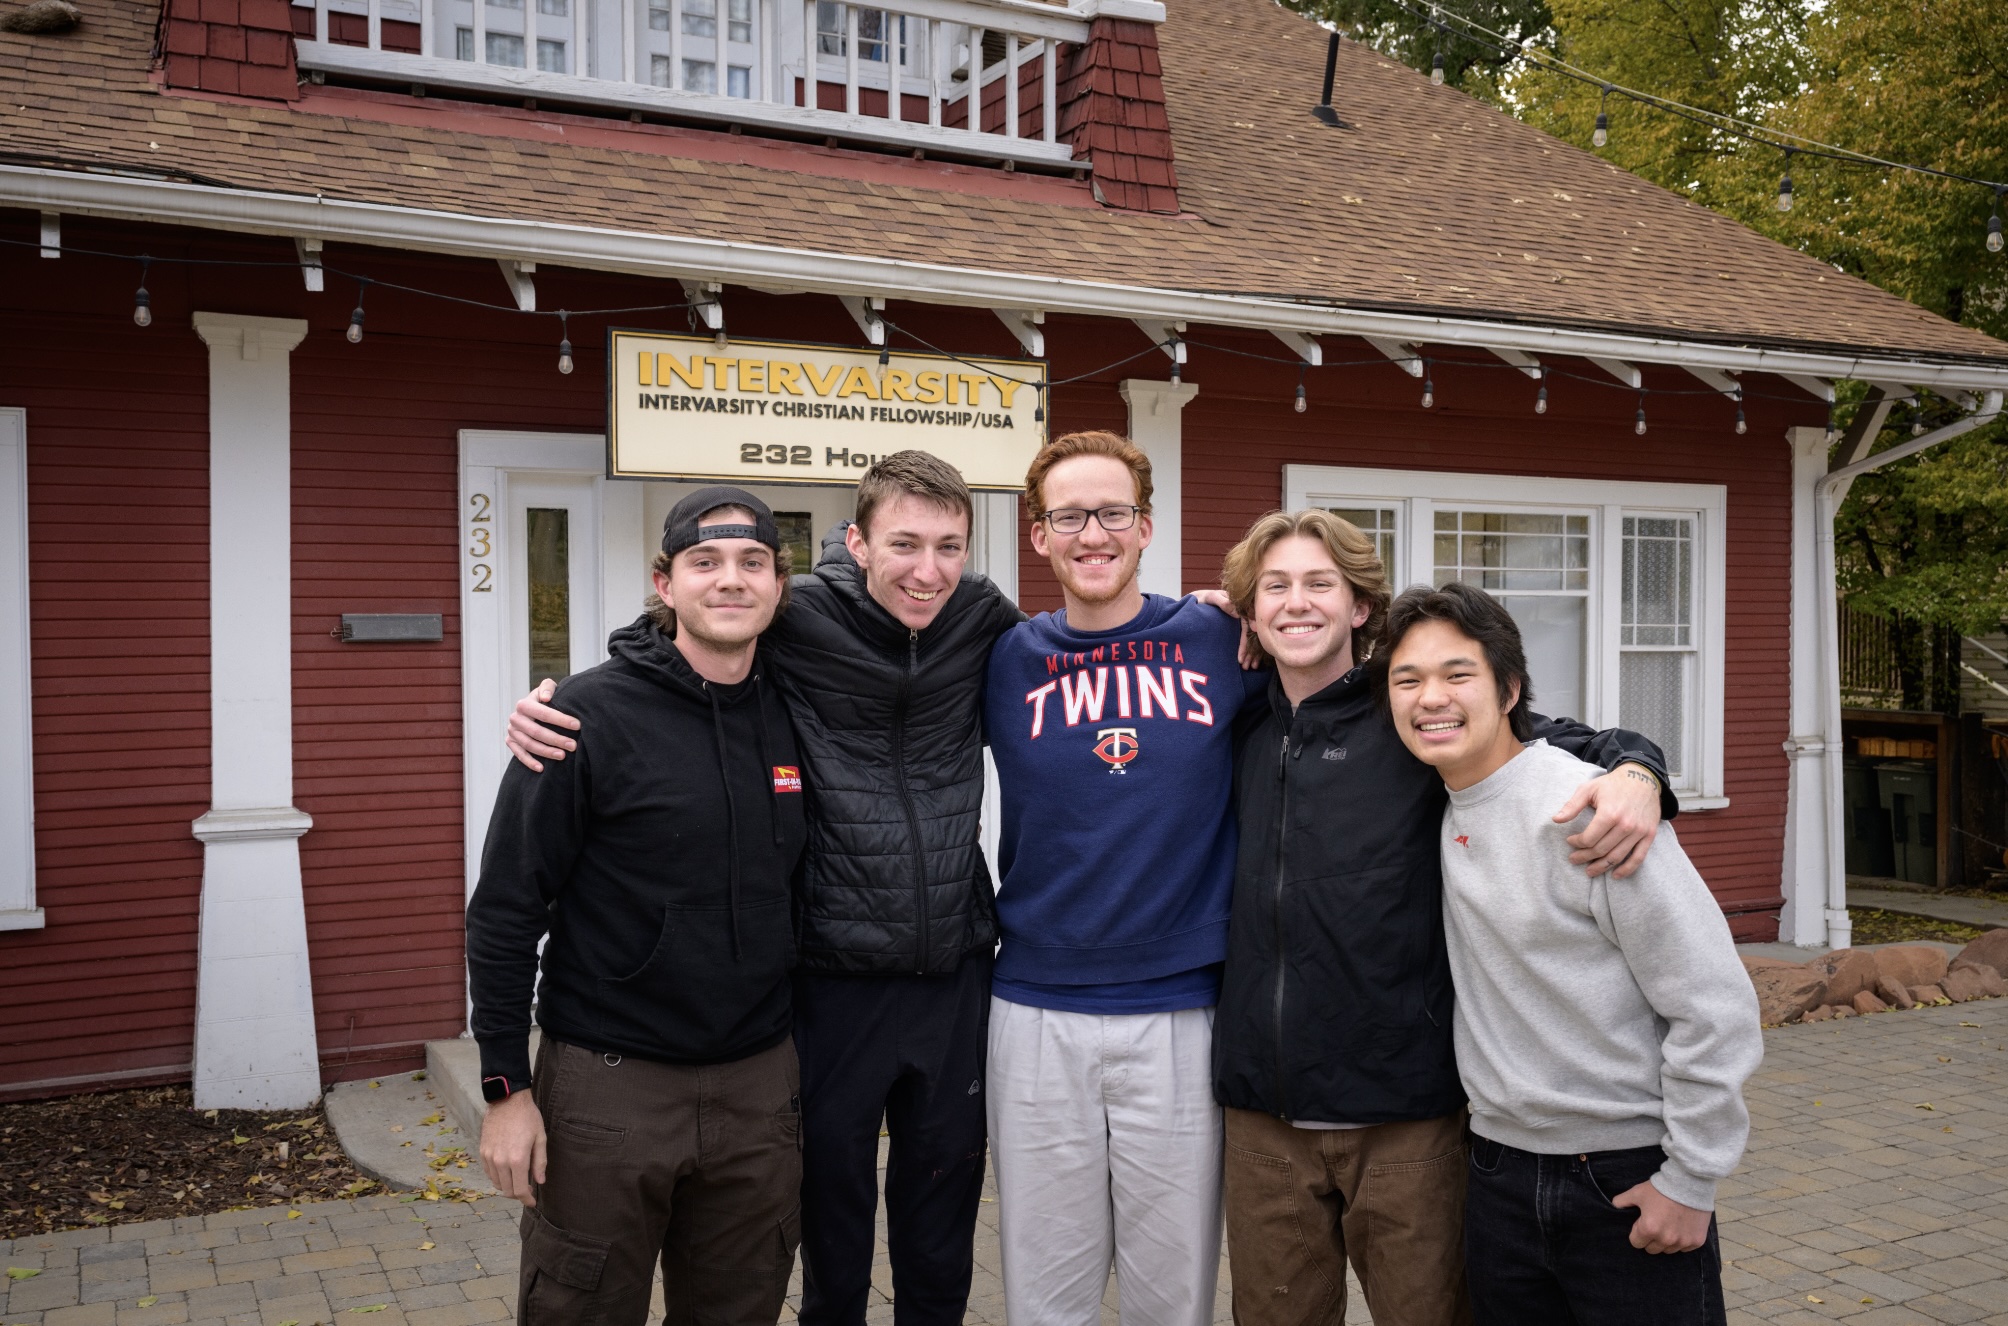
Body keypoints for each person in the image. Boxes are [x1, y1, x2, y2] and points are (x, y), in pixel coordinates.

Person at [506, 452, 1023, 1326]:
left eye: (948, 547)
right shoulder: (800, 614)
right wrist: (562, 702)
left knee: (941, 1227)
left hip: (955, 968)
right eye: (904, 543)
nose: (927, 570)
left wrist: (1206, 616)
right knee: (831, 1227)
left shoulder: (981, 618)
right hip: (829, 976)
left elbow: (1082, 648)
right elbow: (690, 632)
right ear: (856, 542)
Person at [1211, 510, 1677, 1326]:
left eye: (1321, 583)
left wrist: (1640, 770)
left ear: (1361, 608)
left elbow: (1571, 743)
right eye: (1274, 587)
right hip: (1265, 1117)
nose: (1297, 603)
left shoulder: (1416, 718)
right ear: (1249, 613)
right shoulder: (1236, 721)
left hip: (1406, 1118)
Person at [467, 487, 808, 1326]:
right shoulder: (584, 717)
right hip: (607, 1093)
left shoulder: (801, 711)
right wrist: (506, 1088)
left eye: (752, 562)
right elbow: (507, 908)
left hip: (759, 1090)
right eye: (705, 562)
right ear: (665, 583)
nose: (730, 581)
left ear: (777, 583)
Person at [1382, 581, 1761, 1326]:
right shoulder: (1426, 802)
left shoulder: (1593, 811)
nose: (1432, 697)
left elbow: (1714, 1003)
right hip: (1494, 1176)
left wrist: (1691, 1178)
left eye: (1458, 674)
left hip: (1624, 1176)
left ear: (1509, 687)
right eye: (1407, 679)